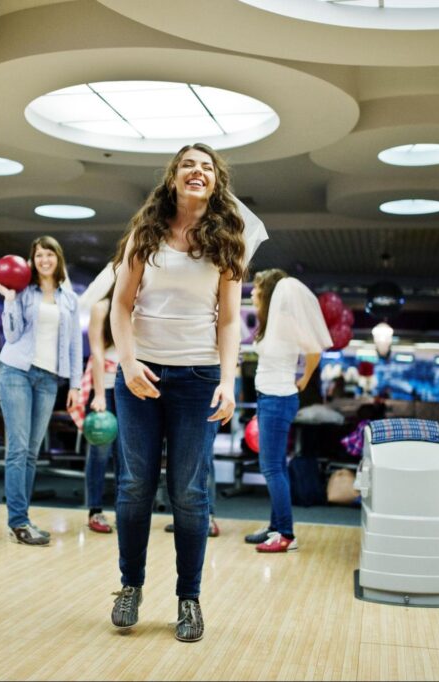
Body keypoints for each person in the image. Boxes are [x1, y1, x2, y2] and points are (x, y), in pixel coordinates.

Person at [108, 142, 265, 643]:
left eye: (206, 167)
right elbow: (121, 307)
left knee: (190, 493)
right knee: (135, 487)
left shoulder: (228, 241)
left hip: (197, 379)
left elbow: (228, 321)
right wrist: (128, 363)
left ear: (216, 182)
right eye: (187, 165)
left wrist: (228, 379)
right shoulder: (145, 234)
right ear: (173, 177)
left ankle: (189, 599)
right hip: (140, 378)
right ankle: (130, 586)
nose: (197, 172)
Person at [0, 235, 82, 546]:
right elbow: (12, 334)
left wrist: (75, 385)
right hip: (16, 372)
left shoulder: (69, 299)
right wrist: (8, 300)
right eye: (38, 255)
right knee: (18, 450)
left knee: (31, 452)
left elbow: (74, 345)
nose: (44, 259)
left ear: (58, 259)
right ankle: (18, 521)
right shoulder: (23, 293)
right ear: (32, 260)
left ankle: (23, 518)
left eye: (49, 254)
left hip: (48, 380)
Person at [243, 269, 332, 553]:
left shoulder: (286, 322)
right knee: (276, 467)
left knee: (271, 468)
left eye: (257, 289)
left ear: (269, 293)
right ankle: (274, 525)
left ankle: (286, 534)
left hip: (278, 398)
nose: (253, 293)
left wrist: (304, 380)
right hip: (270, 398)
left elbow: (314, 350)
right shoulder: (270, 323)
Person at [82, 286, 119, 534]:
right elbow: (96, 352)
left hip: (132, 389)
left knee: (127, 456)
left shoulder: (142, 305)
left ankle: (125, 511)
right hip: (104, 387)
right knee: (99, 453)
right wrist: (99, 394)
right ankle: (95, 510)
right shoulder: (102, 307)